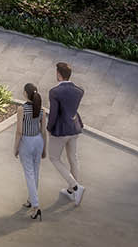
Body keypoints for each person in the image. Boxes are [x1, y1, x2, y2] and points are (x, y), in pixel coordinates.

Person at [47, 61, 86, 205]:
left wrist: (49, 129)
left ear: (58, 74)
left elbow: (53, 114)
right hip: (74, 127)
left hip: (61, 130)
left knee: (54, 158)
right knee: (73, 158)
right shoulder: (79, 90)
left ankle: (76, 187)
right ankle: (72, 192)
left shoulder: (54, 92)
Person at [14, 82, 48, 221]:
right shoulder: (42, 110)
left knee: (29, 174)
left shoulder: (22, 109)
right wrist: (44, 148)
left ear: (26, 94)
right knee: (35, 172)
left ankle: (36, 206)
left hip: (27, 142)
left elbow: (19, 131)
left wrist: (15, 148)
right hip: (38, 141)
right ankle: (30, 200)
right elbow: (43, 131)